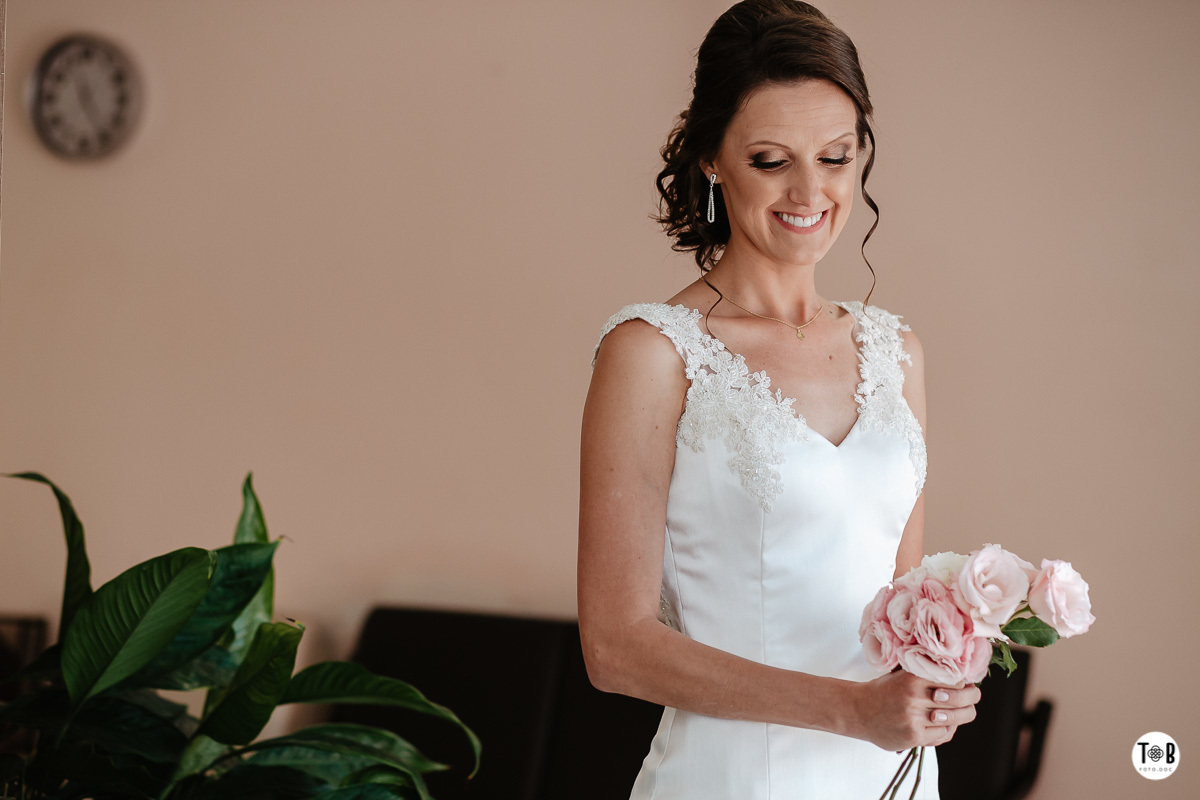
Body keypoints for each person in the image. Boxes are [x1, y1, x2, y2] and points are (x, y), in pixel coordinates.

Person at [577, 1, 981, 797]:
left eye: (835, 157)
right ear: (712, 161)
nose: (810, 190)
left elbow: (899, 608)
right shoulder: (653, 352)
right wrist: (851, 712)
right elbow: (615, 648)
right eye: (771, 160)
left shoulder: (896, 352)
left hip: (893, 777)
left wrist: (940, 677)